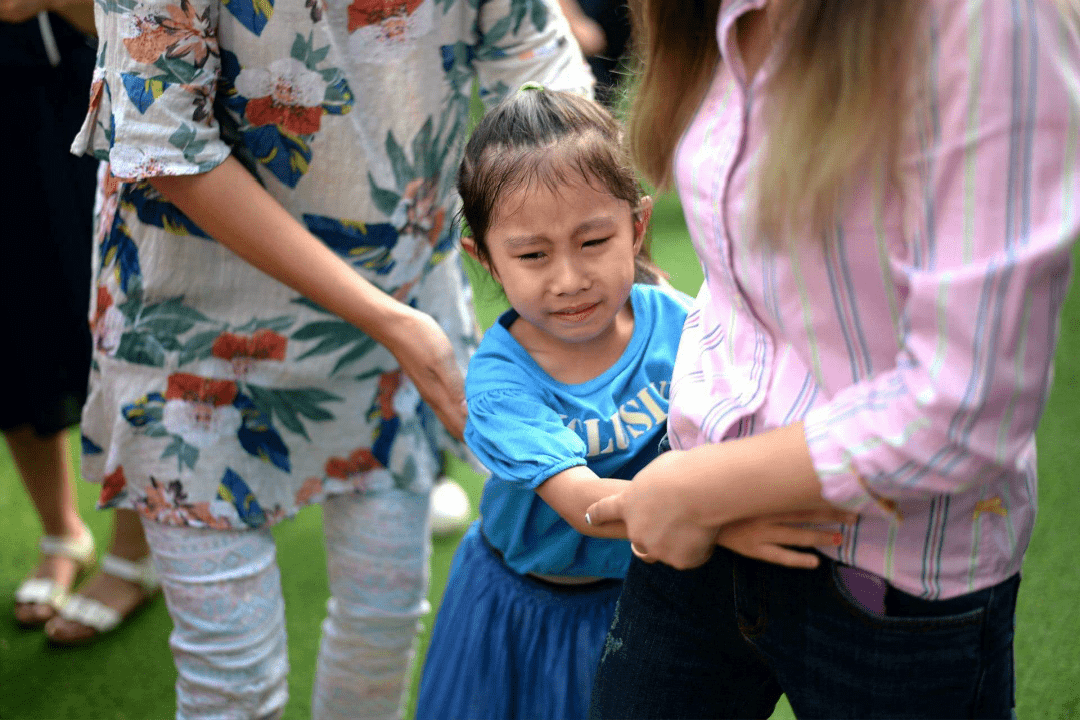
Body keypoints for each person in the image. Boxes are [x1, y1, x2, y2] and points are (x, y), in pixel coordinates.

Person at [69, 1, 594, 717]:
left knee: (383, 621)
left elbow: (537, 61)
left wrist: (580, 233)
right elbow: (168, 144)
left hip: (403, 287)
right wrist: (389, 320)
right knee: (232, 680)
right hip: (195, 317)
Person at [585, 1, 1080, 718]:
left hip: (882, 574)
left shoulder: (986, 20)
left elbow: (970, 402)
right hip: (703, 522)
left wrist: (696, 489)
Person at [413, 86, 850, 720]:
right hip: (526, 608)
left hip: (647, 592)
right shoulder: (500, 383)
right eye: (533, 255)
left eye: (593, 241)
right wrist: (728, 521)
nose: (569, 278)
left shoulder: (681, 324)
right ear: (485, 257)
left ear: (637, 226)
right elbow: (586, 505)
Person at [2, 3, 159, 646]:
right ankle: (62, 528)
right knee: (9, 333)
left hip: (85, 96)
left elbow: (155, 21)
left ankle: (133, 551)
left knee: (117, 324)